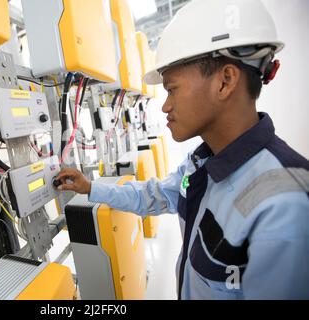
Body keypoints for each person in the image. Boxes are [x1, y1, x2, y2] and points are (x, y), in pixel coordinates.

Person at [55, 0, 309, 299]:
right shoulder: (202, 163)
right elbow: (156, 195)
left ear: (224, 82)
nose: (165, 105)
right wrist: (90, 188)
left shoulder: (285, 206)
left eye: (171, 88)